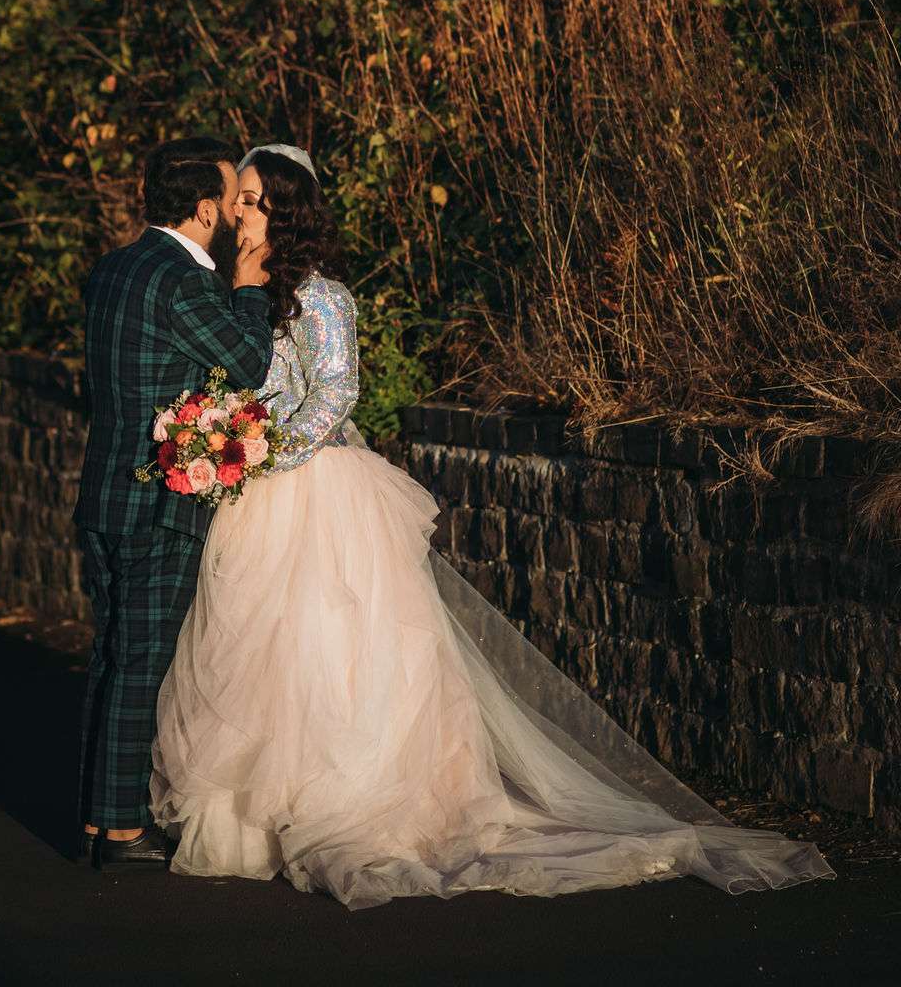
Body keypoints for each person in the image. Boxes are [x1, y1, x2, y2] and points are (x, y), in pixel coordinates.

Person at [151, 143, 834, 909]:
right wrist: (229, 441)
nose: (238, 212)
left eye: (251, 199)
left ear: (285, 209)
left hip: (315, 488)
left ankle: (341, 801)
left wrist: (267, 452)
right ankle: (257, 821)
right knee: (257, 654)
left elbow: (335, 394)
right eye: (238, 199)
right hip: (256, 496)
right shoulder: (239, 292)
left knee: (329, 646)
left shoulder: (323, 297)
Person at [74, 136, 273, 869]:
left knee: (109, 657)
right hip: (159, 501)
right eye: (227, 197)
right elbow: (249, 362)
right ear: (204, 209)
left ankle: (96, 817)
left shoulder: (111, 267)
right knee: (142, 662)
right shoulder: (184, 281)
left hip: (102, 492)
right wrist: (248, 286)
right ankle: (119, 828)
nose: (234, 213)